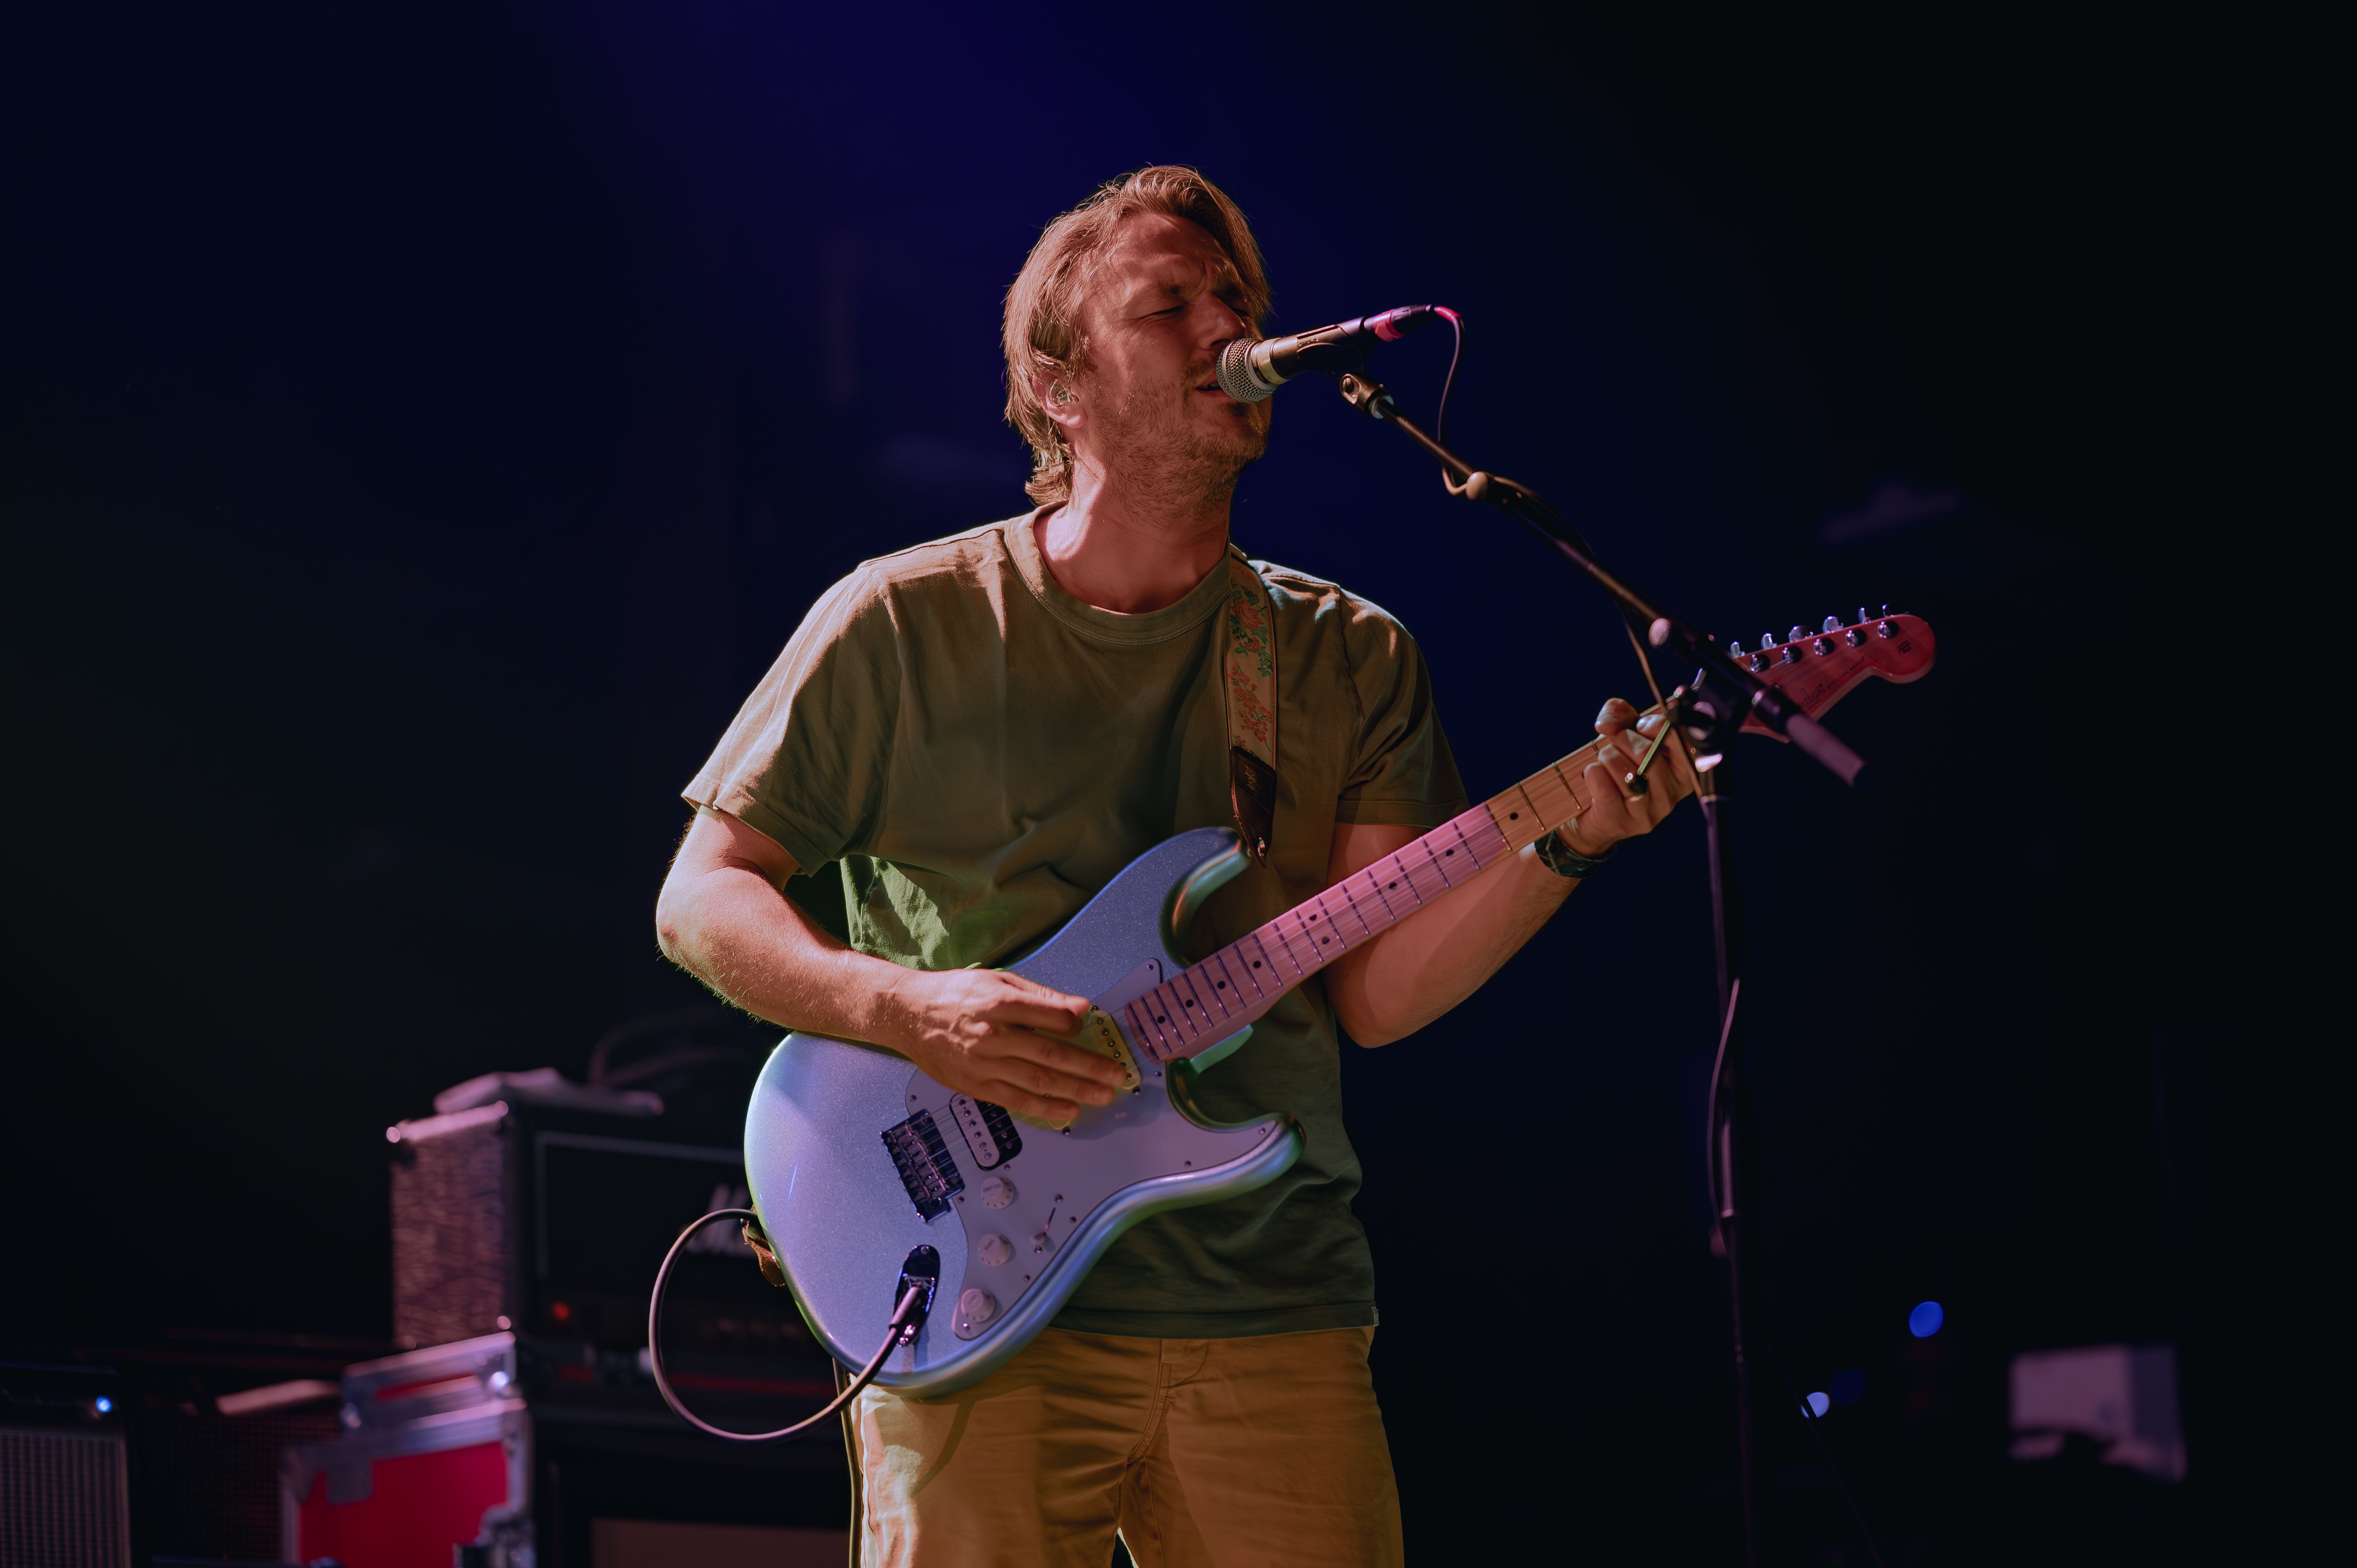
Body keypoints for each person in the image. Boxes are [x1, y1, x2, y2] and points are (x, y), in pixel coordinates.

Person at [655, 166, 1693, 1568]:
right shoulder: (900, 624)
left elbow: (1374, 993)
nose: (1230, 328)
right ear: (1060, 384)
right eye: (1172, 305)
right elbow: (702, 894)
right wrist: (910, 1009)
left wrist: (1568, 838)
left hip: (1273, 1307)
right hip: (969, 1304)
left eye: (1238, 301)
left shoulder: (1346, 653)